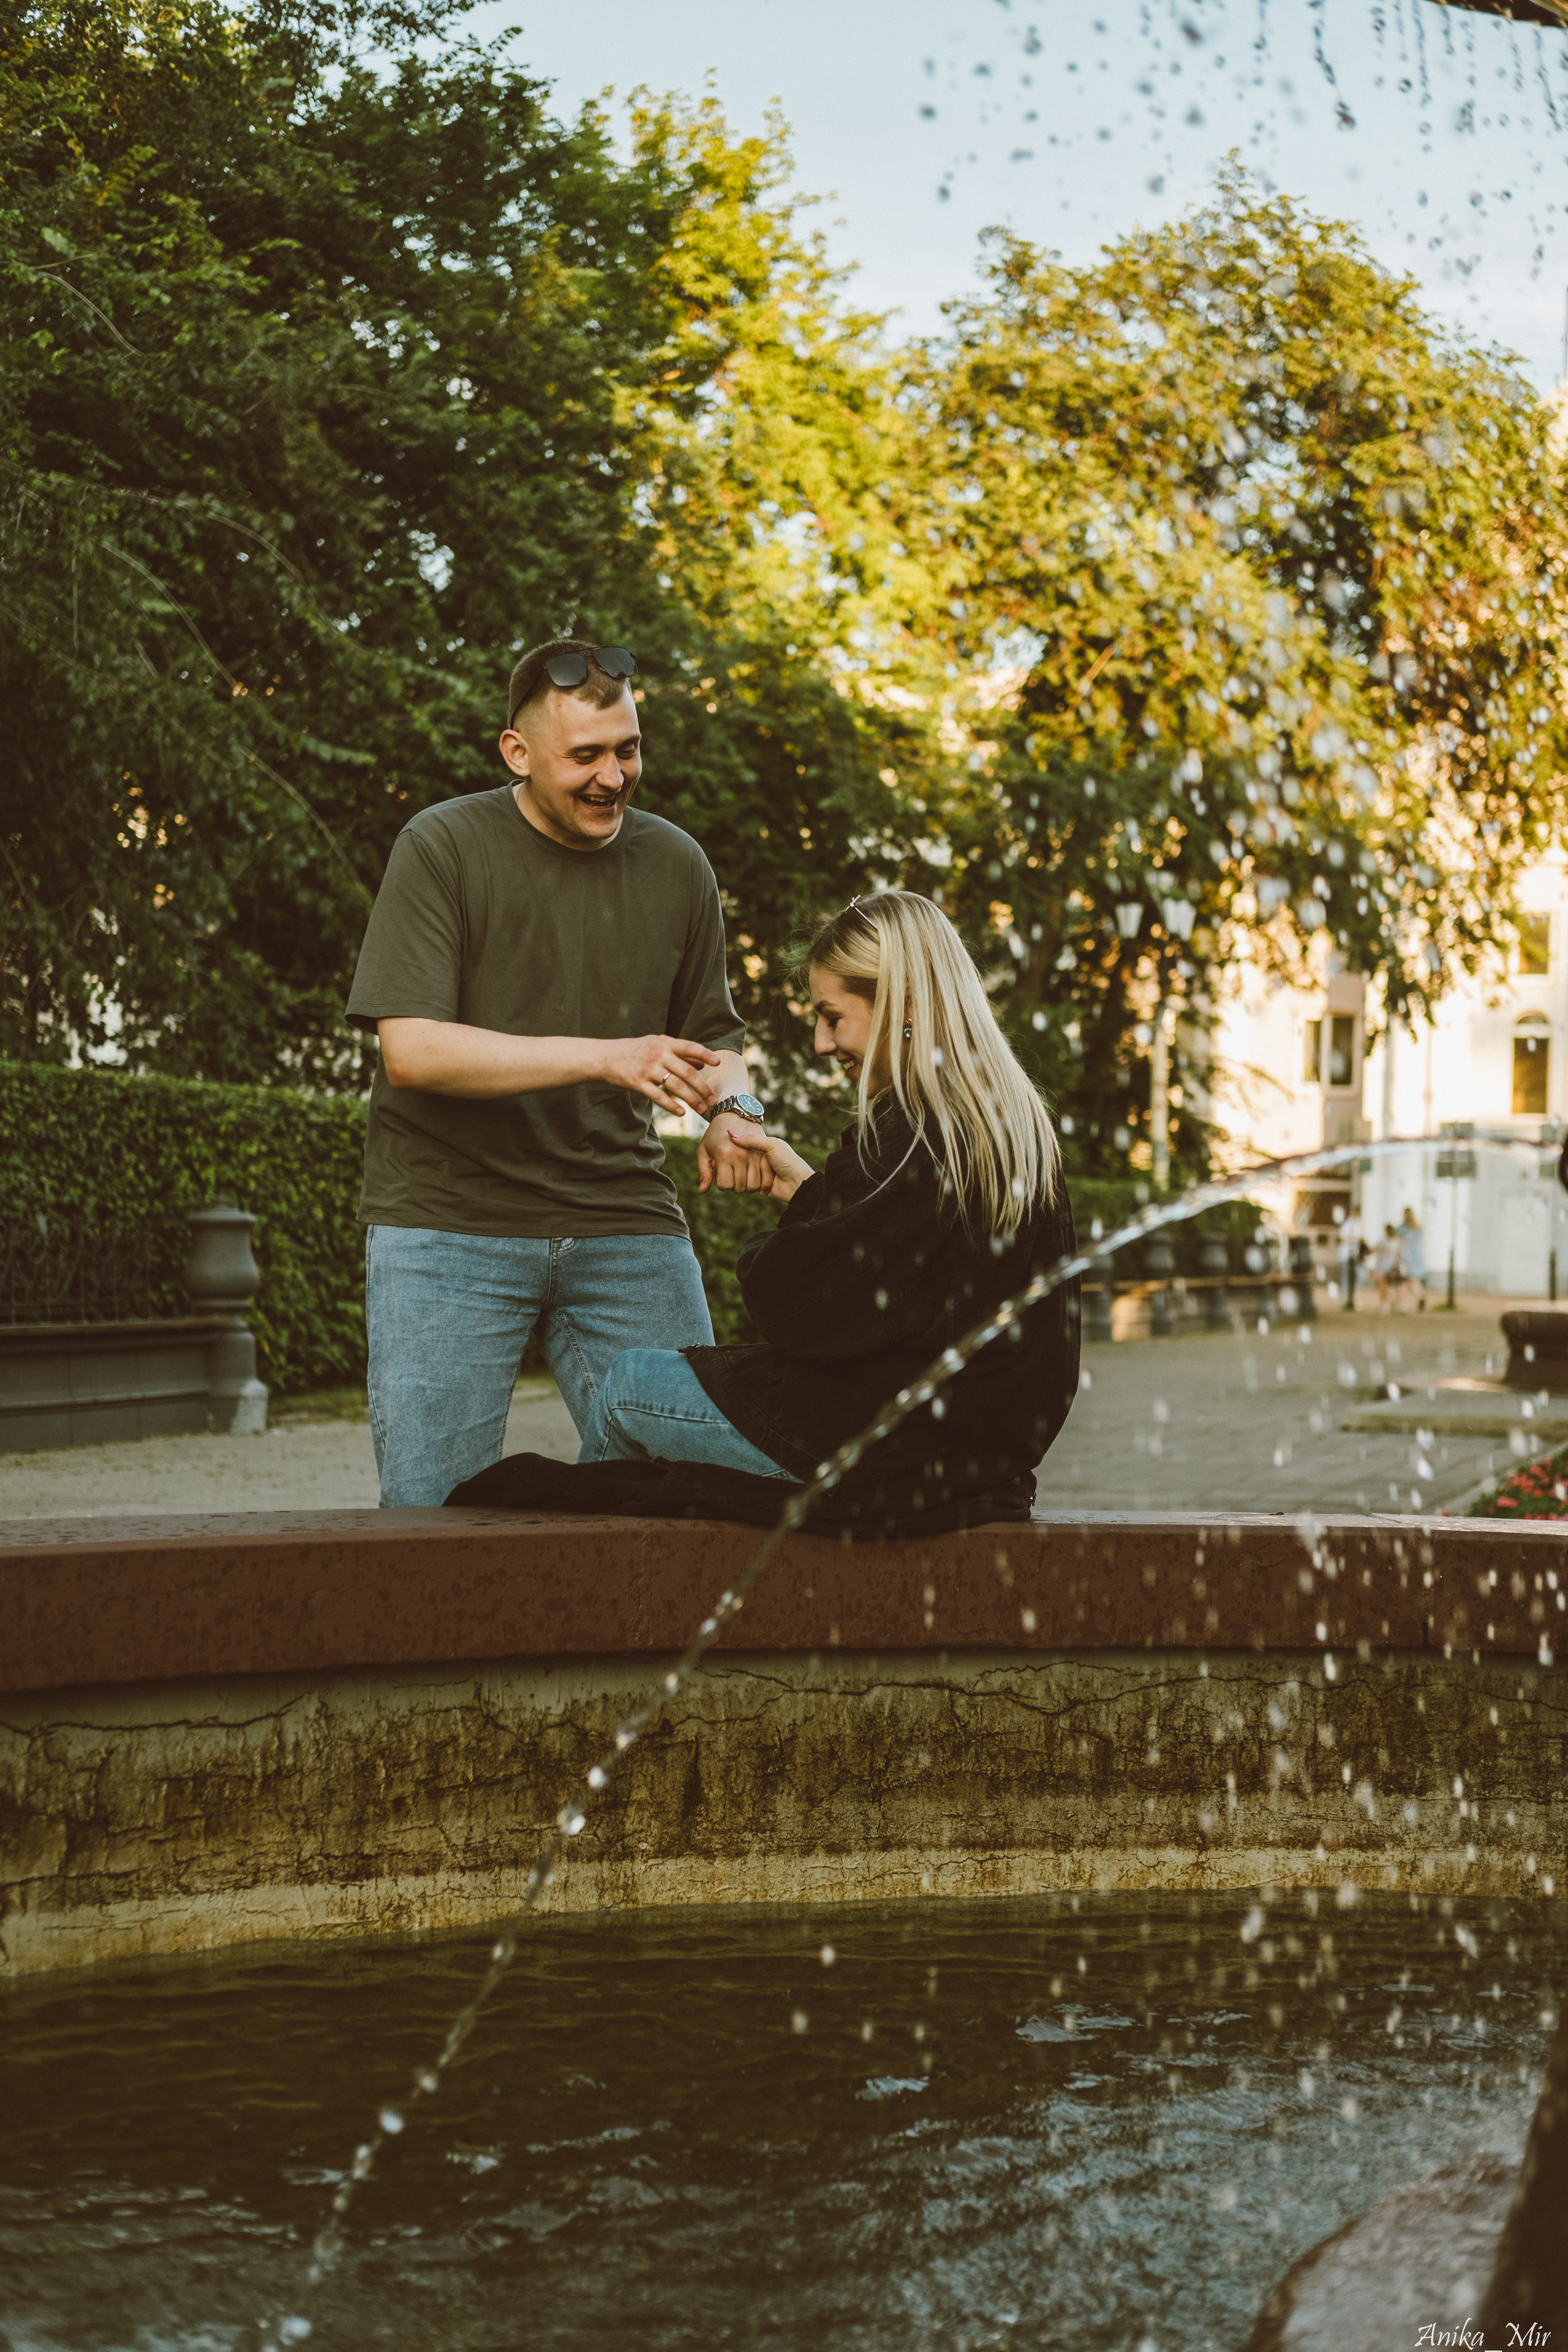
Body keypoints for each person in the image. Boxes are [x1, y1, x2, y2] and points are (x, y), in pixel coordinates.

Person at [346, 637, 769, 1507]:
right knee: (428, 1516)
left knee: (707, 1493)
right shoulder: (443, 845)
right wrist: (608, 1057)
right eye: (586, 756)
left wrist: (737, 1109)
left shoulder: (678, 863)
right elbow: (412, 1050)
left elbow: (716, 1038)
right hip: (447, 1225)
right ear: (518, 752)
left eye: (628, 749)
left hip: (624, 1219)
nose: (613, 777)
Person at [568, 890, 1081, 1530]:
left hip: (892, 1453)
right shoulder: (1000, 1124)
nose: (819, 1043)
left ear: (903, 1006)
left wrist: (766, 1254)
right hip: (970, 1455)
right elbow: (906, 1277)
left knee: (628, 1388)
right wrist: (805, 1189)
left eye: (831, 1017)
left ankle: (605, 1605)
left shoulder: (916, 1132)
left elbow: (804, 1307)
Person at [1398, 1205, 1427, 1310]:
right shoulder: (1417, 1227)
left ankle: (1404, 1303)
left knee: (1405, 1280)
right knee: (1414, 1279)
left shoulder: (1402, 1228)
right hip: (1416, 1256)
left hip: (1406, 1256)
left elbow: (1399, 1242)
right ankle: (1420, 1296)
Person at [1373, 1223, 1404, 1311]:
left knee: (1383, 1285)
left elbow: (1374, 1250)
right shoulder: (1397, 1241)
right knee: (1398, 1286)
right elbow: (1399, 1254)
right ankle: (1400, 1304)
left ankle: (1385, 1304)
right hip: (1394, 1266)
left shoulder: (1382, 1241)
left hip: (1383, 1266)